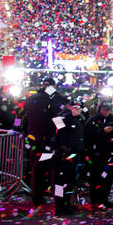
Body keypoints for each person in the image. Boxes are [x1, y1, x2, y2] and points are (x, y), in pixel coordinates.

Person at [23, 77, 69, 206]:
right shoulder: (56, 100)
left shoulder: (32, 99)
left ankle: (37, 196)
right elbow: (58, 119)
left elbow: (24, 117)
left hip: (36, 140)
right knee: (56, 170)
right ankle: (57, 199)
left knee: (38, 169)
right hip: (51, 140)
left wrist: (27, 133)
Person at [52, 97, 85, 216]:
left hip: (73, 155)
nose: (77, 109)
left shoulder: (79, 119)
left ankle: (66, 203)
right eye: (74, 107)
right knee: (61, 182)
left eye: (79, 107)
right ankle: (59, 206)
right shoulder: (61, 118)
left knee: (69, 182)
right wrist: (63, 150)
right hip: (63, 156)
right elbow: (56, 136)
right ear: (69, 107)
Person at [84, 100, 113, 209]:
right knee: (96, 177)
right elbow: (88, 136)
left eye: (108, 110)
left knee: (107, 177)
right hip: (96, 154)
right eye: (104, 110)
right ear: (100, 109)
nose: (106, 112)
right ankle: (95, 200)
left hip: (109, 153)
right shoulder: (92, 120)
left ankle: (104, 199)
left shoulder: (112, 119)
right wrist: (102, 131)